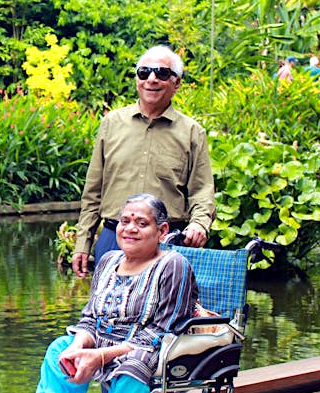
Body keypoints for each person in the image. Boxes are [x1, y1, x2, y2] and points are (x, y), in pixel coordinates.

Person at [0, 193, 199, 393]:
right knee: (59, 350)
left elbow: (160, 333)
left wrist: (100, 357)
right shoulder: (107, 261)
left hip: (147, 351)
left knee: (134, 366)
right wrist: (79, 347)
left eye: (141, 223)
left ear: (162, 231)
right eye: (125, 221)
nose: (130, 228)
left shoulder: (173, 265)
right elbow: (90, 318)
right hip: (102, 344)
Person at [70, 45, 215, 278]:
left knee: (165, 312)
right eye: (144, 72)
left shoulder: (192, 133)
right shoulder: (111, 124)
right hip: (114, 239)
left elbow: (202, 191)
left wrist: (199, 225)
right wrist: (82, 243)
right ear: (137, 79)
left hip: (167, 244)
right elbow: (93, 191)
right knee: (106, 312)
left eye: (162, 73)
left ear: (176, 83)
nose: (152, 79)